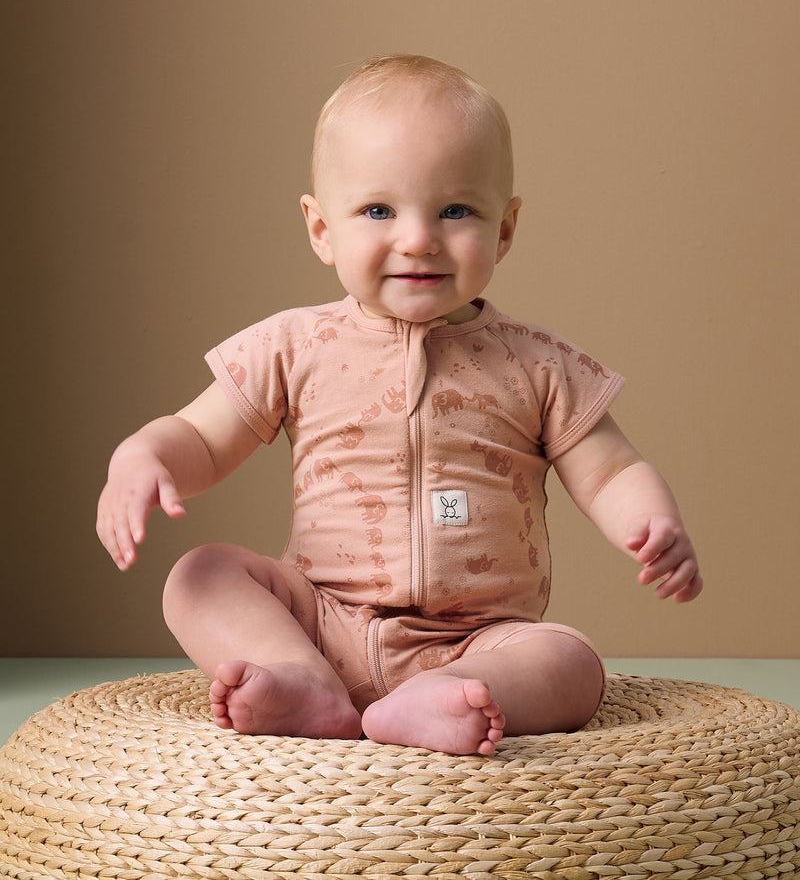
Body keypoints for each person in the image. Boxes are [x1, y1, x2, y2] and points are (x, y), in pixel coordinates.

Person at [96, 54, 702, 755]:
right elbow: (200, 440)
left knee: (571, 662)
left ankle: (439, 701)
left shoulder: (536, 363)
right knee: (199, 576)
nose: (418, 238)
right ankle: (301, 680)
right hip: (319, 618)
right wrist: (140, 456)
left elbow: (611, 471)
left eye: (455, 210)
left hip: (479, 638)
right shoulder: (294, 345)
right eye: (379, 210)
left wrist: (653, 520)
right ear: (322, 229)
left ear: (504, 229)